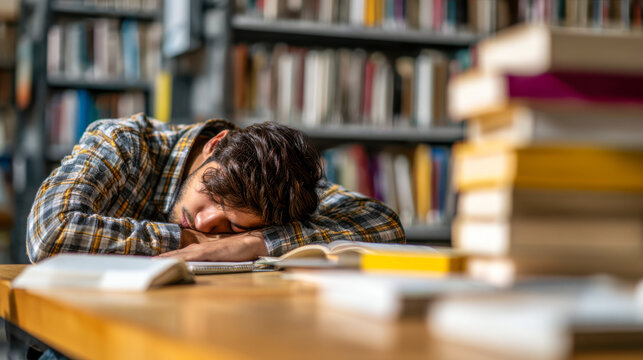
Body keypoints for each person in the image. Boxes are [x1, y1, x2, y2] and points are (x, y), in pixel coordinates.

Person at [27, 114, 405, 263]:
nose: (206, 223)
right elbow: (49, 234)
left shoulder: (277, 185)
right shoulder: (123, 143)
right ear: (214, 145)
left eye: (235, 224)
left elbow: (384, 225)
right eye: (211, 193)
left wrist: (256, 243)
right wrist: (188, 242)